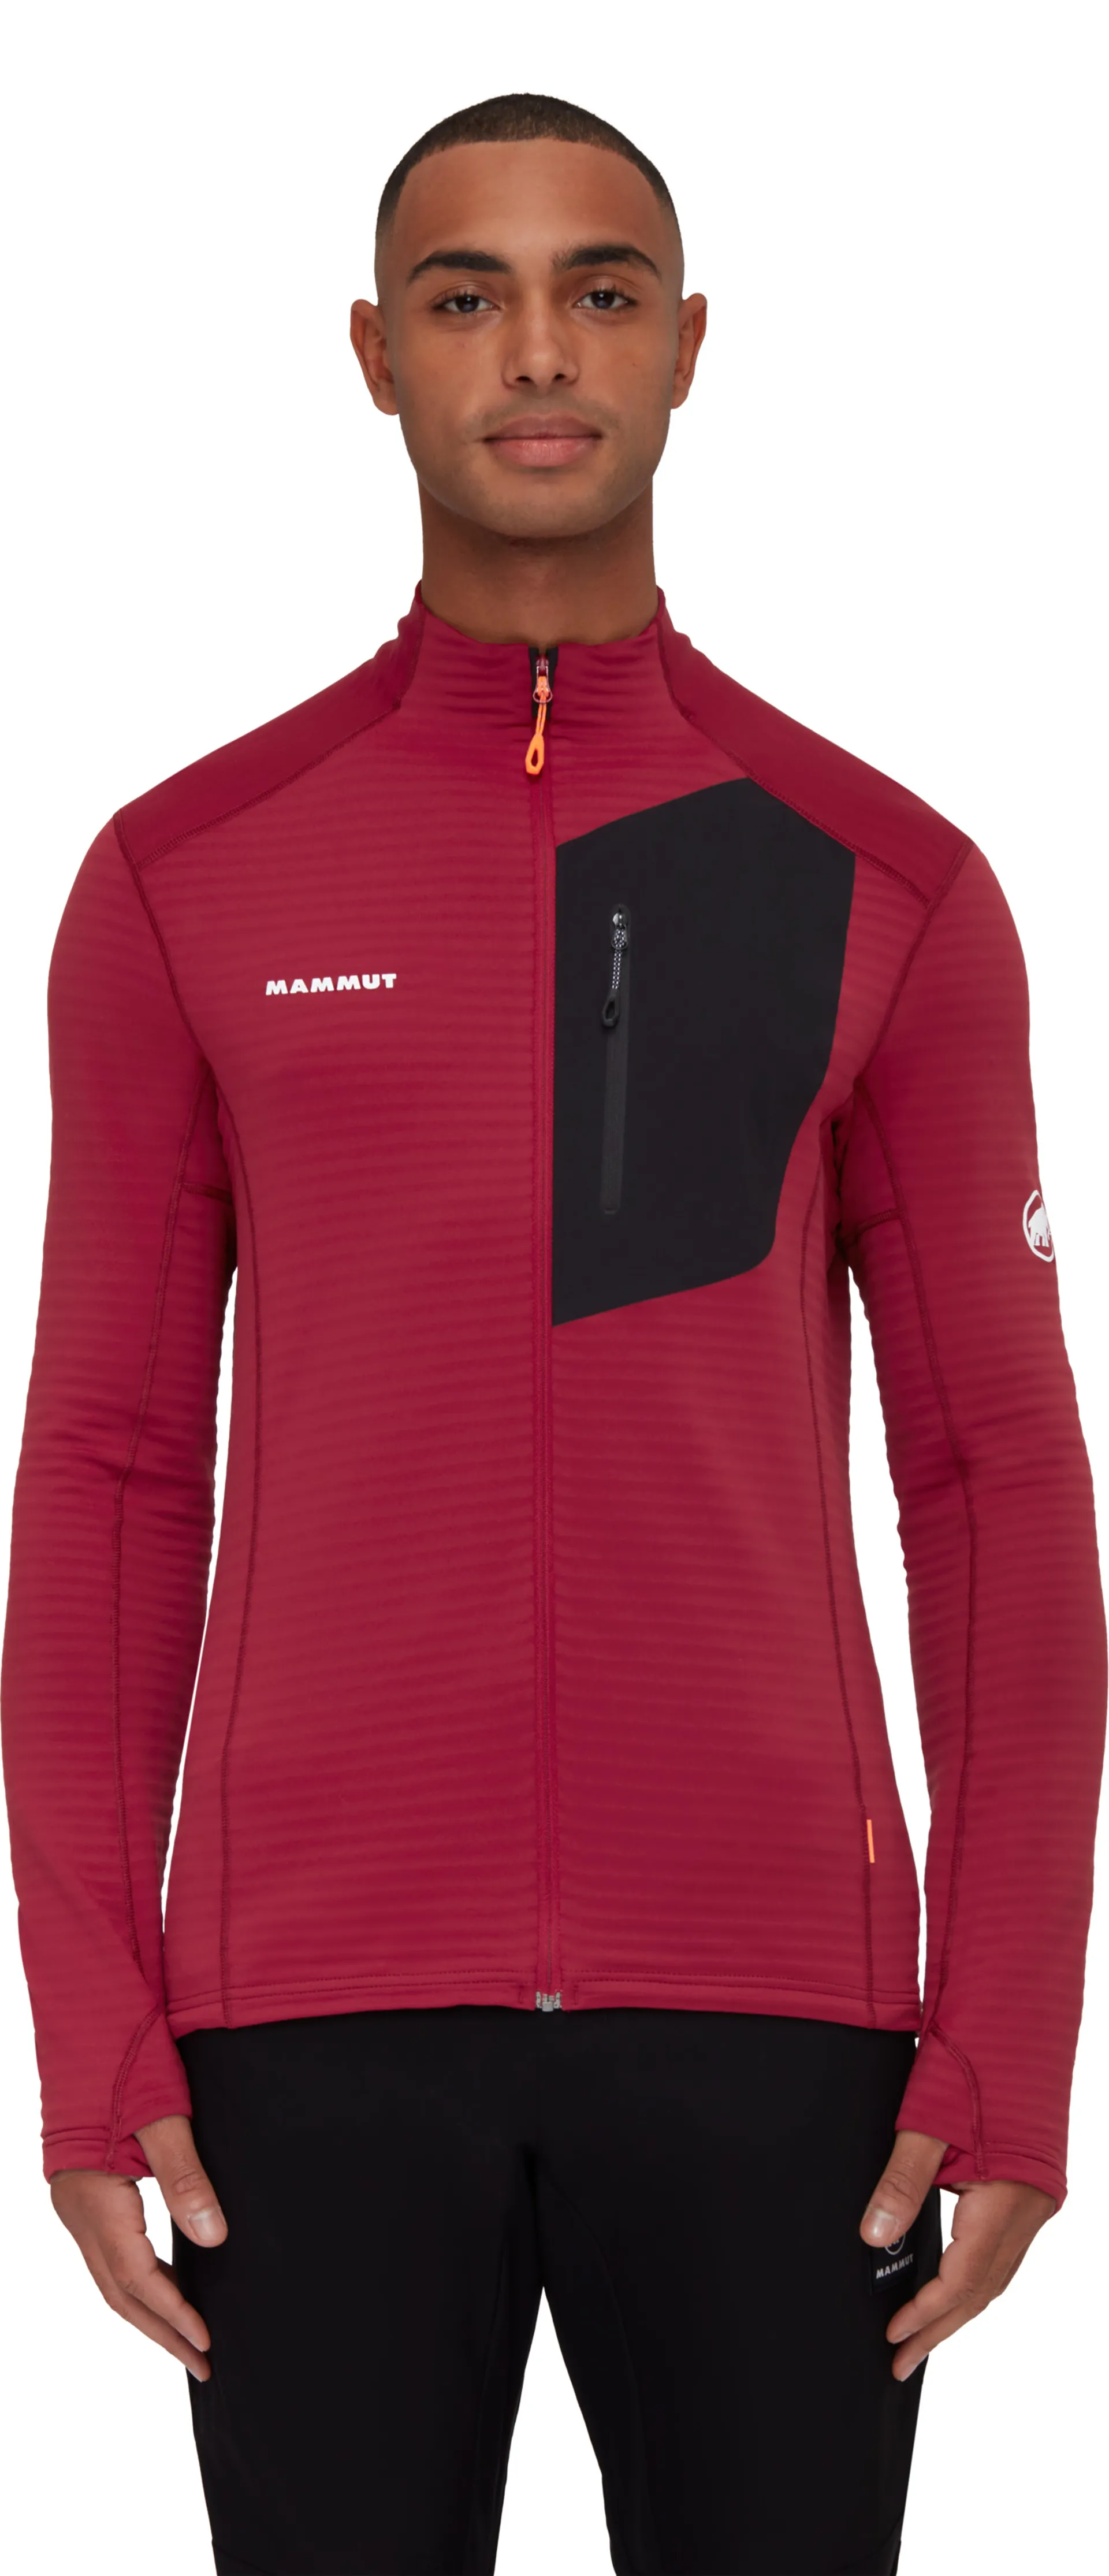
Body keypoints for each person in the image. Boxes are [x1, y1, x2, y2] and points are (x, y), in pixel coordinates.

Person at [1, 89, 1104, 2576]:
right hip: (306, 2021)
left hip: (782, 2021)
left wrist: (1012, 2026)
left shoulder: (883, 882)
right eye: (467, 293)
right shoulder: (187, 876)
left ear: (690, 345)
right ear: (372, 352)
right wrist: (91, 2014)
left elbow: (994, 1481)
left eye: (599, 290)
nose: (537, 350)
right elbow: (108, 1469)